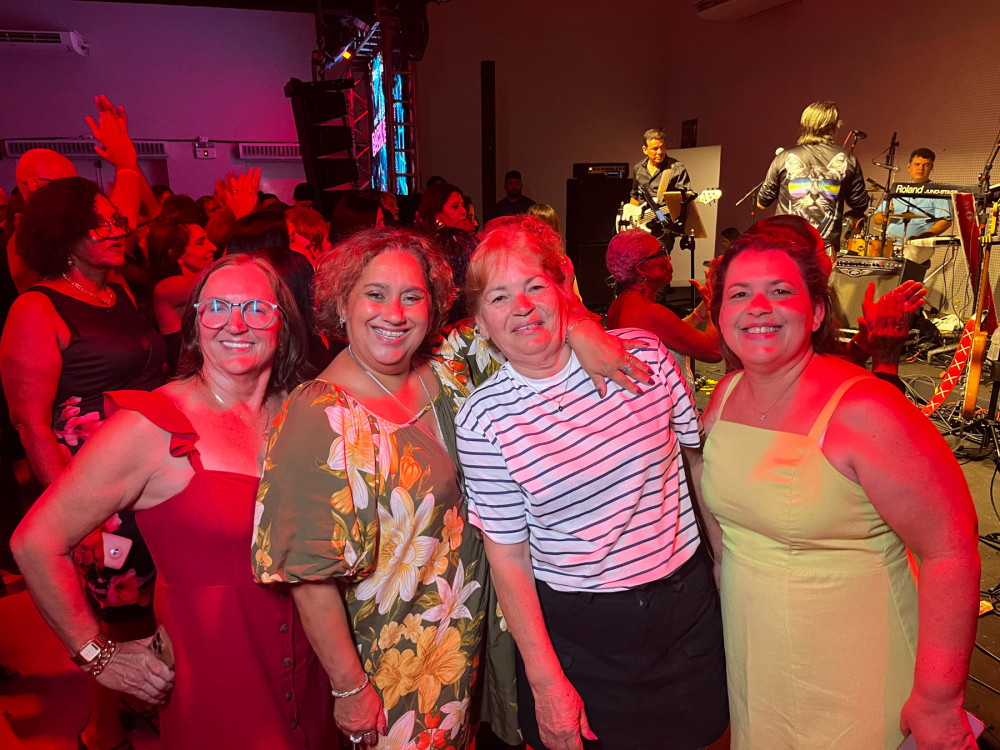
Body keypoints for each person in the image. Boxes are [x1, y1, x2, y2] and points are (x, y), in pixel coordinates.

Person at [251, 224, 643, 749]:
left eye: (412, 297)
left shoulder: (449, 368)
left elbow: (527, 322)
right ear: (341, 304)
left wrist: (579, 329)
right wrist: (349, 688)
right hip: (398, 669)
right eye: (375, 294)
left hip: (479, 645)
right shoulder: (317, 415)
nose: (395, 314)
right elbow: (309, 576)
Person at [12, 254, 331, 749]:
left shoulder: (303, 410)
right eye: (217, 307)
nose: (235, 324)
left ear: (283, 324)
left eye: (256, 308)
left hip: (314, 671)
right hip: (220, 689)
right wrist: (96, 654)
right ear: (195, 321)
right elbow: (36, 542)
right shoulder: (149, 428)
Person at [695, 215, 980, 748]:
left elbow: (950, 548)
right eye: (739, 294)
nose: (758, 307)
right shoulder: (725, 396)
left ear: (817, 312)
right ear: (720, 315)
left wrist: (939, 698)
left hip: (856, 663)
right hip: (757, 655)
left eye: (781, 291)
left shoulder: (866, 408)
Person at [455, 219, 729, 750]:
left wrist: (722, 565)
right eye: (499, 297)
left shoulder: (645, 356)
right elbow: (508, 557)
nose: (521, 307)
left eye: (535, 286)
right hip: (580, 632)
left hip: (684, 608)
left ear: (564, 291)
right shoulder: (484, 418)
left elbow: (696, 467)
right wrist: (546, 682)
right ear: (481, 324)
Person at [1, 176, 167, 750]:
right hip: (93, 481)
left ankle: (133, 705)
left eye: (116, 218)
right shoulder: (35, 307)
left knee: (151, 602)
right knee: (121, 611)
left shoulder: (116, 292)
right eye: (97, 223)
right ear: (64, 236)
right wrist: (78, 517)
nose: (115, 229)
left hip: (146, 467)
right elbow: (30, 423)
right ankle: (101, 731)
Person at [756, 101, 870, 252]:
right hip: (824, 249)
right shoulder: (848, 160)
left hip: (785, 247)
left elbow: (762, 202)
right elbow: (860, 205)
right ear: (832, 126)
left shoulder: (783, 158)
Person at [606, 228, 720, 369]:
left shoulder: (621, 303)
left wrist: (700, 313)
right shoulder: (648, 312)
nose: (668, 258)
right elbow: (714, 351)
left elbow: (669, 331)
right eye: (661, 253)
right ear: (641, 269)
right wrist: (713, 305)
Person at [149, 216, 218, 374]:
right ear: (177, 255)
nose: (213, 247)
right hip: (188, 381)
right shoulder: (165, 288)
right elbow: (219, 275)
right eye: (200, 243)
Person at [873, 148, 954, 241]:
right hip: (889, 243)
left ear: (931, 168)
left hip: (917, 245)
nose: (921, 168)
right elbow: (876, 219)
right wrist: (886, 213)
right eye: (917, 164)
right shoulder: (898, 189)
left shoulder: (937, 191)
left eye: (926, 165)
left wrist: (921, 238)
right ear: (909, 167)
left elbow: (946, 221)